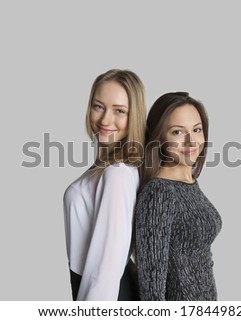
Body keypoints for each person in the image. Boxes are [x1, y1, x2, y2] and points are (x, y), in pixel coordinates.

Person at [63, 69, 146, 300]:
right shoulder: (110, 168)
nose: (105, 119)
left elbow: (106, 268)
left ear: (134, 116)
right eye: (98, 106)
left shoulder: (117, 173)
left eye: (119, 111)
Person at [134, 92, 222, 301]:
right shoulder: (159, 193)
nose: (191, 141)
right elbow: (151, 286)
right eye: (177, 132)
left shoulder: (190, 183)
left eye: (197, 129)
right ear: (160, 138)